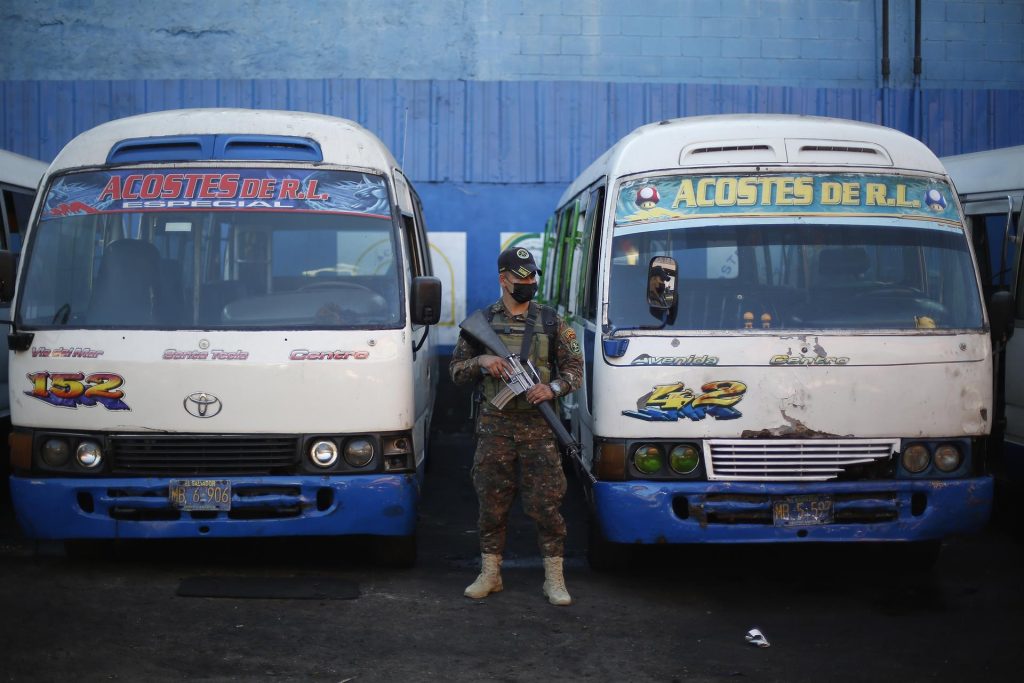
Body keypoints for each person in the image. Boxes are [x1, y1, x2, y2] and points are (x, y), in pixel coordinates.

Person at [449, 246, 583, 606]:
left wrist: (551, 387)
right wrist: (482, 360)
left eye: (532, 277)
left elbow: (575, 370)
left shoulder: (552, 321)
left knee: (547, 505)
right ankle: (490, 574)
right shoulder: (482, 323)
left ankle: (554, 578)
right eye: (521, 278)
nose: (528, 283)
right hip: (496, 427)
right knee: (491, 504)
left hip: (540, 429)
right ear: (503, 280)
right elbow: (456, 372)